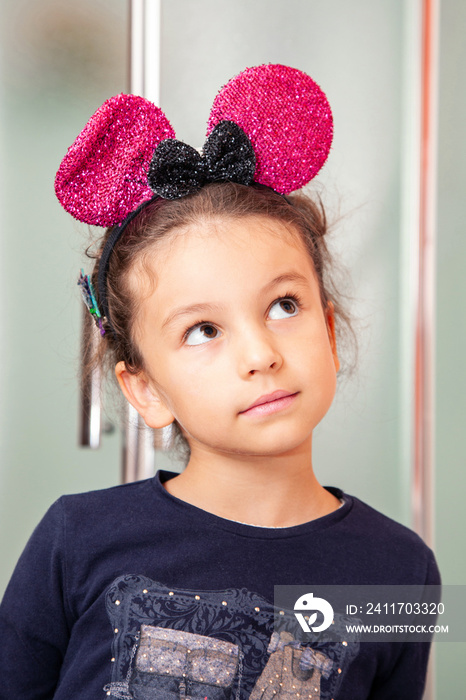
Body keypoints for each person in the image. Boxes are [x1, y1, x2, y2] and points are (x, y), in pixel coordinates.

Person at [0, 65, 439, 700]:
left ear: (331, 333)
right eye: (203, 329)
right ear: (145, 389)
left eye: (284, 306)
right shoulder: (75, 538)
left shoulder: (403, 572)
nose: (260, 353)